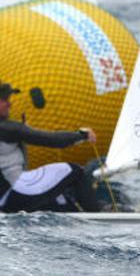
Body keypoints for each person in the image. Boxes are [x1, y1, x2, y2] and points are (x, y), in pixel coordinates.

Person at [0, 80, 101, 212]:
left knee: (61, 202)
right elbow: (52, 140)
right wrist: (81, 135)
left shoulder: (9, 130)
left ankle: (78, 218)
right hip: (18, 191)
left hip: (6, 201)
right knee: (76, 172)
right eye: (4, 99)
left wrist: (21, 133)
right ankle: (100, 221)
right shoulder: (7, 128)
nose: (10, 103)